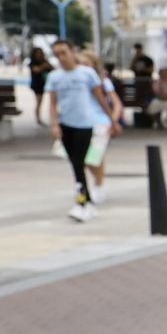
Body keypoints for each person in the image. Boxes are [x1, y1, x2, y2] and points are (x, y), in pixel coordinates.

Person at [42, 39, 111, 222]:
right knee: (76, 166)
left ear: (72, 52)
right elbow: (53, 103)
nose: (61, 58)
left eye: (64, 53)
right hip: (66, 125)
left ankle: (81, 203)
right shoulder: (55, 77)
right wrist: (54, 124)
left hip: (85, 125)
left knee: (79, 165)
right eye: (57, 55)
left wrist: (111, 119)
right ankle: (86, 202)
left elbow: (100, 97)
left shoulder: (86, 74)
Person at [77, 50, 125, 202]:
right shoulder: (76, 81)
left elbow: (116, 103)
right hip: (81, 122)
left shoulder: (102, 82)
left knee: (94, 156)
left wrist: (113, 120)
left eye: (86, 64)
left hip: (100, 121)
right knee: (82, 158)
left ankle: (98, 186)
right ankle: (88, 185)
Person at [28, 46, 52, 125]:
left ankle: (39, 118)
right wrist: (44, 66)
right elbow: (36, 70)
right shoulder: (33, 63)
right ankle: (38, 119)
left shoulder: (44, 61)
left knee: (41, 102)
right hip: (37, 85)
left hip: (44, 84)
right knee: (38, 102)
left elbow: (52, 68)